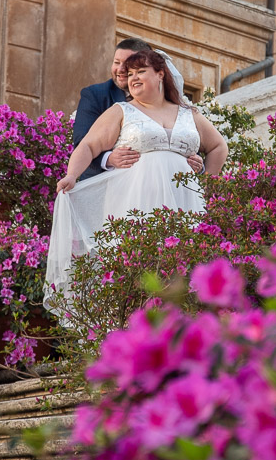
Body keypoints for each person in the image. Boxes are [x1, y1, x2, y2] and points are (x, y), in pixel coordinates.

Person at [45, 49, 228, 310]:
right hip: (135, 202)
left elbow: (219, 146)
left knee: (182, 268)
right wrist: (71, 175)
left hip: (184, 201)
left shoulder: (189, 114)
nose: (133, 78)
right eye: (130, 74)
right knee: (137, 270)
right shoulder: (122, 111)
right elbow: (88, 146)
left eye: (141, 71)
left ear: (161, 74)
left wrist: (206, 183)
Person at [74, 37, 199, 182]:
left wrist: (195, 161)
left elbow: (185, 135)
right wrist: (108, 159)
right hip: (107, 184)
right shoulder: (96, 94)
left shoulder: (173, 104)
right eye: (116, 62)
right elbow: (82, 142)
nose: (121, 70)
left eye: (128, 65)